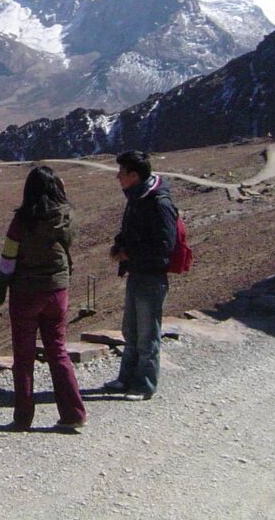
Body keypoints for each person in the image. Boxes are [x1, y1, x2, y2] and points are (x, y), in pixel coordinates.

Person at [0, 165, 87, 431]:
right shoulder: (65, 217)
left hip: (26, 294)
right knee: (58, 351)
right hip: (57, 292)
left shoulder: (21, 222)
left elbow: (7, 261)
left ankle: (23, 418)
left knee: (23, 357)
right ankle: (73, 414)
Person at [103, 150, 177, 401]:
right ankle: (126, 379)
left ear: (134, 175)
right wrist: (119, 247)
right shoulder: (137, 198)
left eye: (121, 172)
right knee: (131, 330)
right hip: (137, 272)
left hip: (151, 275)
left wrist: (129, 253)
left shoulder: (158, 203)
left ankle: (144, 384)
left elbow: (165, 245)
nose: (118, 177)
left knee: (147, 332)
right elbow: (130, 231)